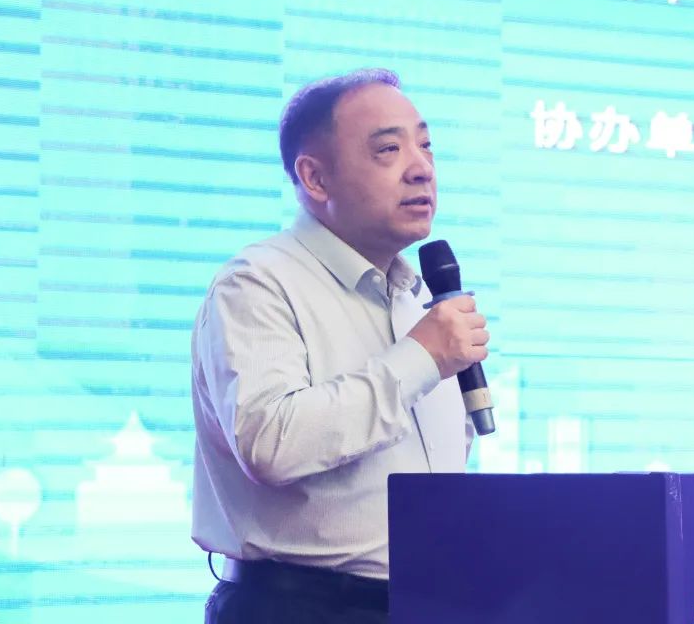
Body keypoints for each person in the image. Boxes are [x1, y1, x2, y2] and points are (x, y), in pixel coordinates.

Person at [190, 68, 490, 623]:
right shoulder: (258, 282)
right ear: (315, 177)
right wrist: (421, 357)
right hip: (298, 607)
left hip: (424, 601)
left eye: (425, 146)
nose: (421, 168)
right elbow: (270, 442)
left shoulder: (416, 298)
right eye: (388, 150)